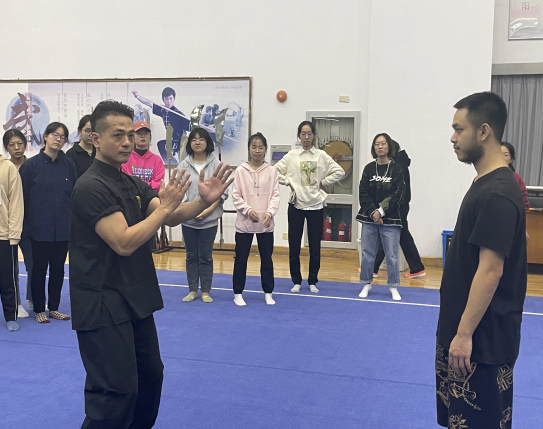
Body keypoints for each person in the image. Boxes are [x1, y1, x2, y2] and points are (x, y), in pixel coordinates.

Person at [69, 100, 233, 429]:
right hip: (102, 302)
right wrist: (165, 209)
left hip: (134, 296)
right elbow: (124, 242)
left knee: (150, 378)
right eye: (118, 135)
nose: (127, 142)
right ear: (95, 138)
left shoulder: (129, 182)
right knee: (115, 392)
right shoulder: (90, 186)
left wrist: (202, 201)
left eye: (130, 135)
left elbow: (168, 214)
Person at [436, 92, 527, 429]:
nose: (453, 137)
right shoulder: (483, 183)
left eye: (459, 129)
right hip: (462, 337)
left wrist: (463, 335)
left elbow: (490, 271)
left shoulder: (497, 192)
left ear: (484, 131)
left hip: (481, 344)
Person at [275, 121, 344, 294]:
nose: (306, 137)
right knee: (294, 246)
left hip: (315, 206)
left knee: (314, 246)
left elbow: (339, 171)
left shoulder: (321, 155)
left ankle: (313, 280)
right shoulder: (291, 156)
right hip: (296, 206)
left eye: (309, 134)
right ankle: (296, 281)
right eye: (303, 134)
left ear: (314, 135)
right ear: (299, 136)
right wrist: (288, 182)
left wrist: (323, 182)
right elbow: (274, 172)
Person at [20, 122, 77, 324]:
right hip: (38, 228)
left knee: (58, 269)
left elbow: (74, 196)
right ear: (45, 136)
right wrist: (26, 226)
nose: (58, 139)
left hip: (62, 227)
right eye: (54, 134)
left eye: (62, 137)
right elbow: (22, 198)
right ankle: (39, 309)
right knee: (38, 270)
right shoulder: (30, 166)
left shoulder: (69, 165)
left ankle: (54, 308)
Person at [177, 127, 227, 303]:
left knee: (206, 256)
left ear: (208, 142)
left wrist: (205, 211)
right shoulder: (183, 166)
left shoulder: (217, 165)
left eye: (201, 139)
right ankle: (192, 290)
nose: (197, 142)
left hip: (209, 220)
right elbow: (179, 193)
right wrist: (191, 210)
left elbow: (221, 194)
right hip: (188, 219)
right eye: (194, 139)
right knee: (191, 256)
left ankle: (205, 290)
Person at [232, 132, 280, 306]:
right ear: (248, 149)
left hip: (265, 224)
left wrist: (270, 213)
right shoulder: (240, 171)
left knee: (267, 259)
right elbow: (236, 196)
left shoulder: (272, 171)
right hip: (245, 224)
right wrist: (248, 210)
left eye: (260, 147)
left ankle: (268, 292)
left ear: (265, 149)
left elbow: (275, 195)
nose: (257, 151)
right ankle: (238, 293)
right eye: (254, 147)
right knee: (241, 259)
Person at [357, 133, 405, 301]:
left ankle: (393, 286)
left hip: (390, 219)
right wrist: (373, 212)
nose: (380, 147)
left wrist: (382, 211)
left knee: (391, 255)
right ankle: (366, 283)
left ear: (389, 146)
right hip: (369, 218)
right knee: (367, 253)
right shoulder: (369, 169)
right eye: (377, 144)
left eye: (383, 143)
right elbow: (363, 193)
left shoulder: (397, 169)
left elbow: (399, 193)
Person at [373, 139, 426, 279]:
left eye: (384, 146)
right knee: (402, 236)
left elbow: (397, 189)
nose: (381, 148)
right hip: (399, 205)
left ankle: (372, 268)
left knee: (386, 234)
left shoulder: (398, 166)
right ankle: (417, 267)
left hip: (397, 206)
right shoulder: (399, 164)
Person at [3, 129, 31, 317]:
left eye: (19, 143)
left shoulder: (33, 166)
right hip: (8, 223)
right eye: (12, 145)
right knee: (11, 267)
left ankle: (33, 298)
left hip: (29, 223)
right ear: (6, 148)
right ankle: (17, 303)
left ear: (25, 144)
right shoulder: (4, 168)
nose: (16, 148)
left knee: (33, 264)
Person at [0, 132, 24, 331]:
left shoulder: (7, 168)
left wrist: (14, 234)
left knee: (7, 278)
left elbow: (16, 202)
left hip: (3, 234)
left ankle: (10, 315)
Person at [132, 87, 190, 163]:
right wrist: (137, 96)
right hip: (172, 141)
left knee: (184, 163)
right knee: (161, 144)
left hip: (182, 141)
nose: (168, 101)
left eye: (171, 98)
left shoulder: (178, 114)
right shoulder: (163, 110)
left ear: (174, 99)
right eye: (166, 99)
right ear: (163, 99)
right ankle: (173, 164)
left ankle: (177, 164)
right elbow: (149, 103)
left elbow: (191, 126)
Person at [121, 120, 165, 192]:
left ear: (150, 137)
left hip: (152, 197)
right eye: (139, 133)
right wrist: (148, 185)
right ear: (133, 137)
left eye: (146, 133)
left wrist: (137, 185)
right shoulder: (126, 158)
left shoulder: (157, 160)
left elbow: (158, 184)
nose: (143, 136)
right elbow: (126, 182)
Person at [500, 142, 529, 210]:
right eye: (498, 154)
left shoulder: (517, 178)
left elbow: (524, 202)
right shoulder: (486, 177)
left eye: (505, 155)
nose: (501, 158)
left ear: (511, 159)